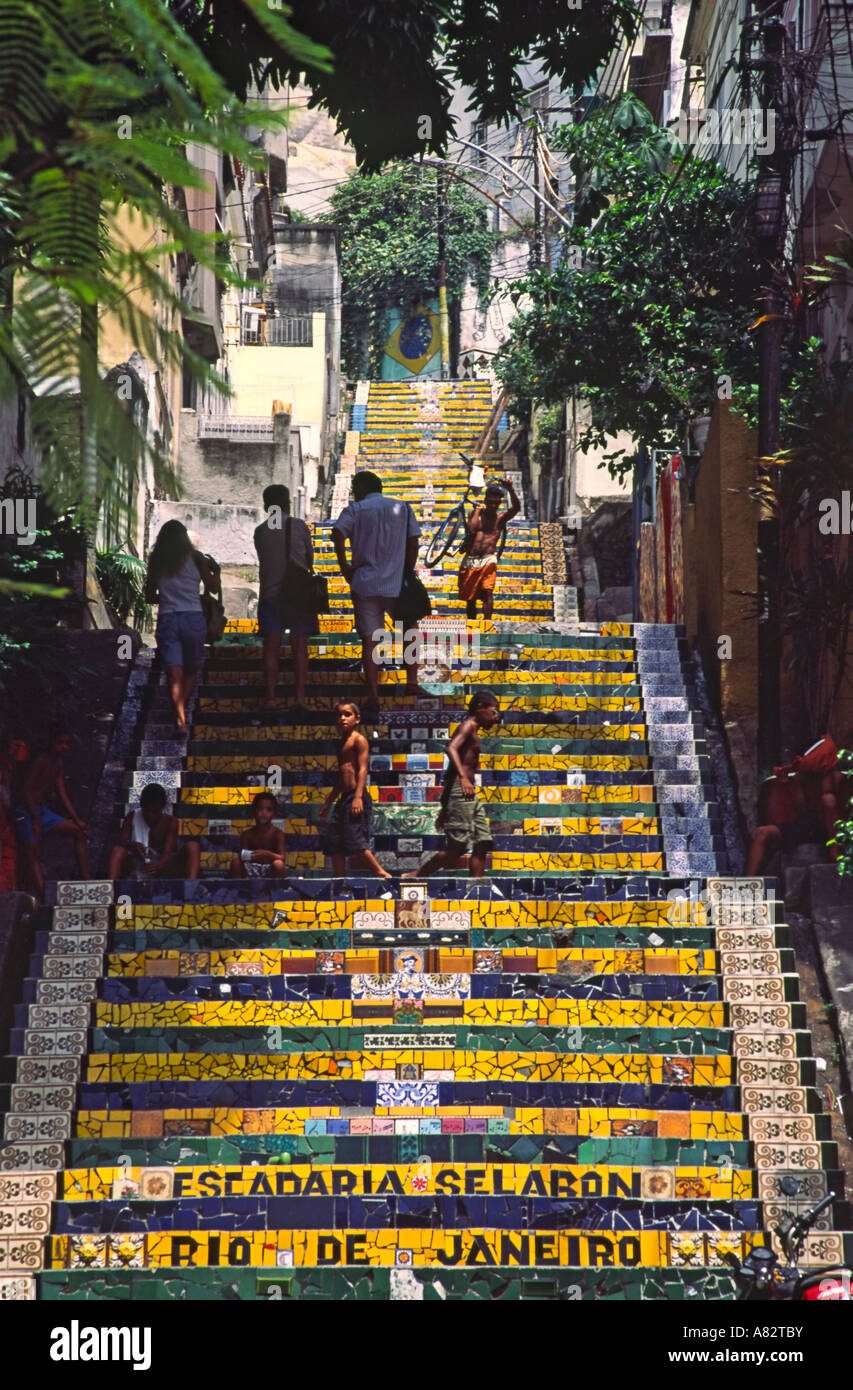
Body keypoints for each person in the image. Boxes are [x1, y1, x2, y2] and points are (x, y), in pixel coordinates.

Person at [332, 471, 427, 718]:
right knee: (410, 629)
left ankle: (373, 694)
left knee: (370, 640)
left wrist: (344, 567)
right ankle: (412, 681)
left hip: (364, 583)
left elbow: (337, 533)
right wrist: (406, 571)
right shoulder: (402, 507)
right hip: (396, 583)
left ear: (360, 488)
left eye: (354, 488)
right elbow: (414, 542)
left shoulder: (355, 510)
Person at [403, 688, 500, 879]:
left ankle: (475, 887)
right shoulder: (467, 726)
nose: (496, 717)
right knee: (457, 846)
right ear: (480, 708)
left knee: (482, 841)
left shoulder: (474, 730)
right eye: (493, 711)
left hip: (468, 793)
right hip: (461, 789)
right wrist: (463, 777)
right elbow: (451, 748)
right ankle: (415, 875)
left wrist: (445, 806)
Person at [145, 520, 218, 734]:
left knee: (174, 671)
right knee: (192, 669)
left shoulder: (156, 560)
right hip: (193, 618)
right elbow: (212, 588)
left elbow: (149, 596)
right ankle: (180, 714)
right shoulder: (197, 558)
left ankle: (180, 718)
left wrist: (168, 596)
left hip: (168, 619)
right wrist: (216, 572)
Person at [253, 484, 318, 719]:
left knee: (271, 648)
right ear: (287, 503)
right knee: (300, 647)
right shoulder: (299, 526)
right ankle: (299, 698)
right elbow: (309, 559)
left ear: (265, 505)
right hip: (298, 594)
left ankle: (271, 698)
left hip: (270, 594)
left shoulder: (260, 531)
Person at [746, 734, 848, 874]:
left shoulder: (838, 779)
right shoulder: (797, 779)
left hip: (832, 829)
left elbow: (832, 803)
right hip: (805, 827)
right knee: (762, 833)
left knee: (828, 800)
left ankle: (834, 851)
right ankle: (747, 882)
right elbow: (799, 811)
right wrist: (789, 786)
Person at [317, 699, 391, 878]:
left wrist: (358, 797)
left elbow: (363, 769)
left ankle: (382, 874)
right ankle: (340, 880)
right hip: (344, 797)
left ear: (357, 718)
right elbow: (342, 776)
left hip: (356, 796)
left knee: (355, 839)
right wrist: (329, 802)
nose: (343, 718)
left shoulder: (359, 740)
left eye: (347, 714)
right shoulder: (342, 742)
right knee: (333, 840)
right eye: (339, 715)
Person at [13, 729, 90, 897]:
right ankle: (43, 894)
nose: (63, 747)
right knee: (32, 850)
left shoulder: (58, 763)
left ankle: (87, 880)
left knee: (79, 832)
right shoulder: (41, 760)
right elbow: (26, 791)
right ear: (51, 743)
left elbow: (62, 793)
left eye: (66, 744)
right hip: (24, 810)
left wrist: (77, 819)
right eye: (60, 743)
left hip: (40, 810)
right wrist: (35, 820)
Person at [106, 782, 200, 880]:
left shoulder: (171, 821)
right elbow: (121, 841)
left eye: (155, 812)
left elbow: (168, 851)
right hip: (138, 862)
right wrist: (133, 844)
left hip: (163, 863)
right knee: (117, 850)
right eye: (147, 811)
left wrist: (158, 865)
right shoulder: (132, 816)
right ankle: (112, 886)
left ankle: (191, 886)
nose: (151, 816)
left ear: (163, 806)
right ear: (141, 805)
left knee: (193, 846)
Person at [458, 477, 520, 620]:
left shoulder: (500, 518)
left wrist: (510, 489)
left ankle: (487, 623)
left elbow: (516, 508)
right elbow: (472, 530)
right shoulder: (474, 513)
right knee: (471, 598)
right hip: (471, 560)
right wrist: (477, 512)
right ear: (485, 501)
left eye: (496, 503)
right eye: (491, 502)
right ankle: (472, 624)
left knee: (488, 592)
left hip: (488, 559)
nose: (493, 505)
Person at [229, 791, 288, 878]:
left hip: (270, 868)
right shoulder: (247, 834)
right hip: (251, 868)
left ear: (274, 814)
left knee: (279, 864)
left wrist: (267, 855)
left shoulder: (277, 833)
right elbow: (243, 856)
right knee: (235, 863)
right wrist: (252, 855)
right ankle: (238, 886)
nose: (264, 813)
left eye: (269, 810)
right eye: (260, 809)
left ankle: (276, 887)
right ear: (253, 812)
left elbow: (282, 858)